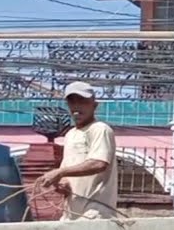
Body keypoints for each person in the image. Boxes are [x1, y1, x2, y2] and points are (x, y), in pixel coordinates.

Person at [35, 81, 118, 219]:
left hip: (95, 213)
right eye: (72, 102)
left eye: (82, 101)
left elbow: (99, 163)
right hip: (71, 213)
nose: (76, 107)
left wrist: (60, 172)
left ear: (94, 105)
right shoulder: (70, 135)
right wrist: (62, 184)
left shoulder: (100, 129)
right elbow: (67, 176)